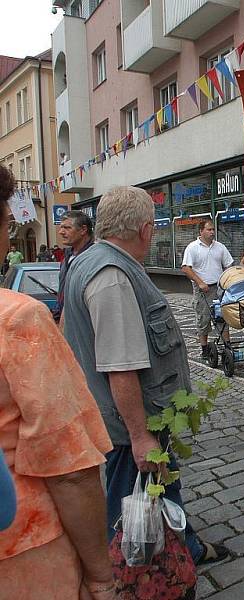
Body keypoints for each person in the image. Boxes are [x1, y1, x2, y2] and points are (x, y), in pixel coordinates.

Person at [62, 186, 229, 567]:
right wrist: (139, 436)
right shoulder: (112, 276)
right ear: (145, 230)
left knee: (161, 485)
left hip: (131, 419)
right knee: (127, 511)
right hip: (128, 427)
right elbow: (120, 365)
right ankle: (132, 575)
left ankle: (185, 548)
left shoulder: (91, 262)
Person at [0, 164, 117, 599]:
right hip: (22, 550)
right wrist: (101, 577)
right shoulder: (16, 318)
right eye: (9, 224)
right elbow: (68, 468)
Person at [181, 218, 234, 359]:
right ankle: (204, 349)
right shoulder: (193, 247)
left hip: (219, 288)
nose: (212, 232)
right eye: (209, 229)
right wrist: (200, 282)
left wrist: (227, 279)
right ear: (201, 231)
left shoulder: (220, 247)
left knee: (222, 317)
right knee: (203, 319)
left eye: (213, 229)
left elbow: (229, 264)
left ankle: (227, 345)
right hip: (203, 290)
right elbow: (186, 268)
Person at [53, 210, 94, 322]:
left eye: (67, 228)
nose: (61, 232)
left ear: (83, 230)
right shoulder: (66, 257)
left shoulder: (93, 258)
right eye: (61, 227)